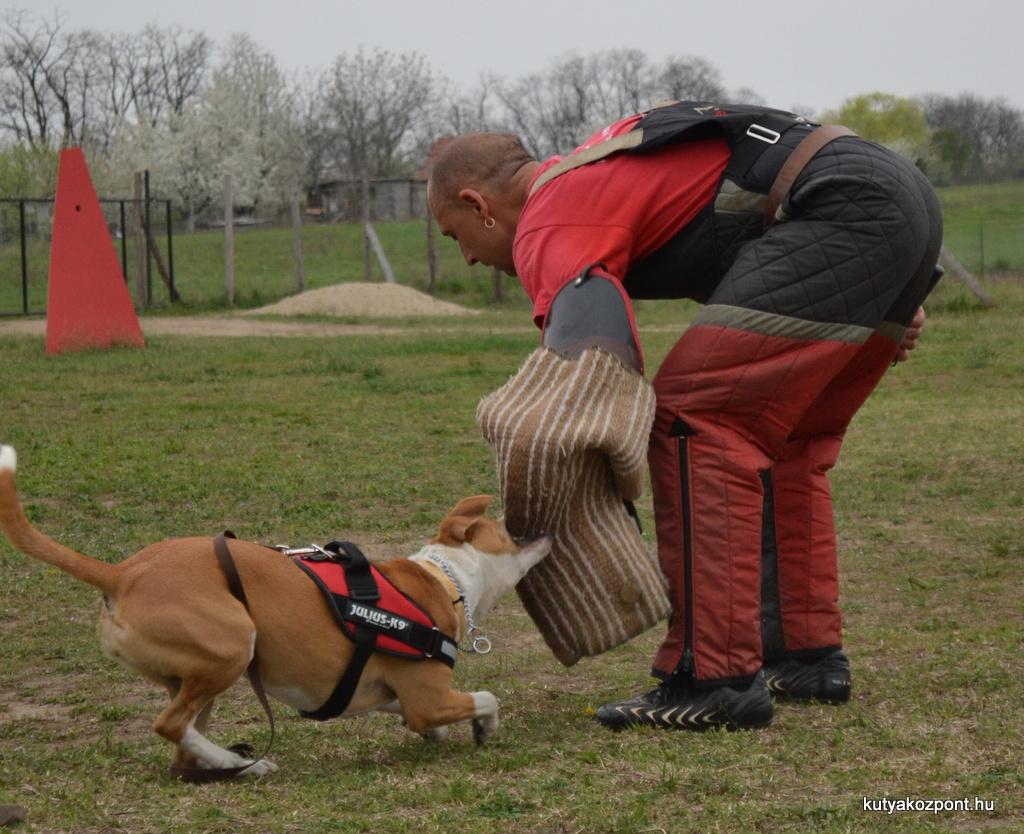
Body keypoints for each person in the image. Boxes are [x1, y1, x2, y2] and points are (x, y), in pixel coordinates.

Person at [428, 101, 942, 731]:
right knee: (791, 440)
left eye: (457, 237)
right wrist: (881, 284)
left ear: (479, 204)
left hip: (839, 206)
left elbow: (586, 365)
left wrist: (573, 468)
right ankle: (804, 654)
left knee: (694, 420)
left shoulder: (545, 220)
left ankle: (715, 678)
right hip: (892, 196)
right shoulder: (602, 173)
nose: (470, 260)